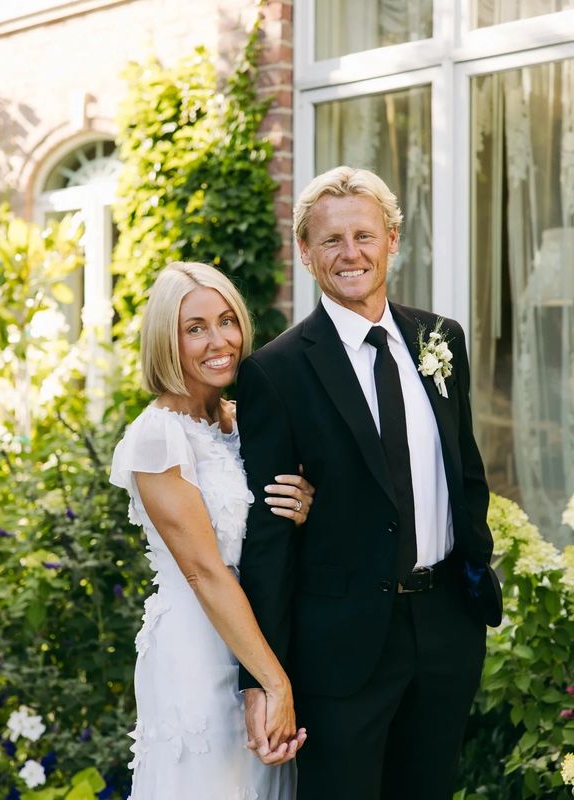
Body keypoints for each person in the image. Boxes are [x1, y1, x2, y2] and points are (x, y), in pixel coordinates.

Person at [236, 166, 503, 800]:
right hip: (342, 650)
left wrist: (474, 576)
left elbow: (465, 471)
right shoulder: (275, 374)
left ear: (392, 240)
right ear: (305, 253)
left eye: (364, 235)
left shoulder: (442, 339)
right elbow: (269, 542)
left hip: (446, 631)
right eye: (330, 240)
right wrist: (262, 679)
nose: (350, 253)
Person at [109, 261, 312, 799]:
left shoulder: (244, 419)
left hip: (260, 633)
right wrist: (273, 681)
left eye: (227, 320)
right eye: (194, 328)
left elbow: (267, 531)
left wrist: (303, 504)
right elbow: (204, 571)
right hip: (197, 652)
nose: (219, 340)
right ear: (165, 341)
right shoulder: (157, 439)